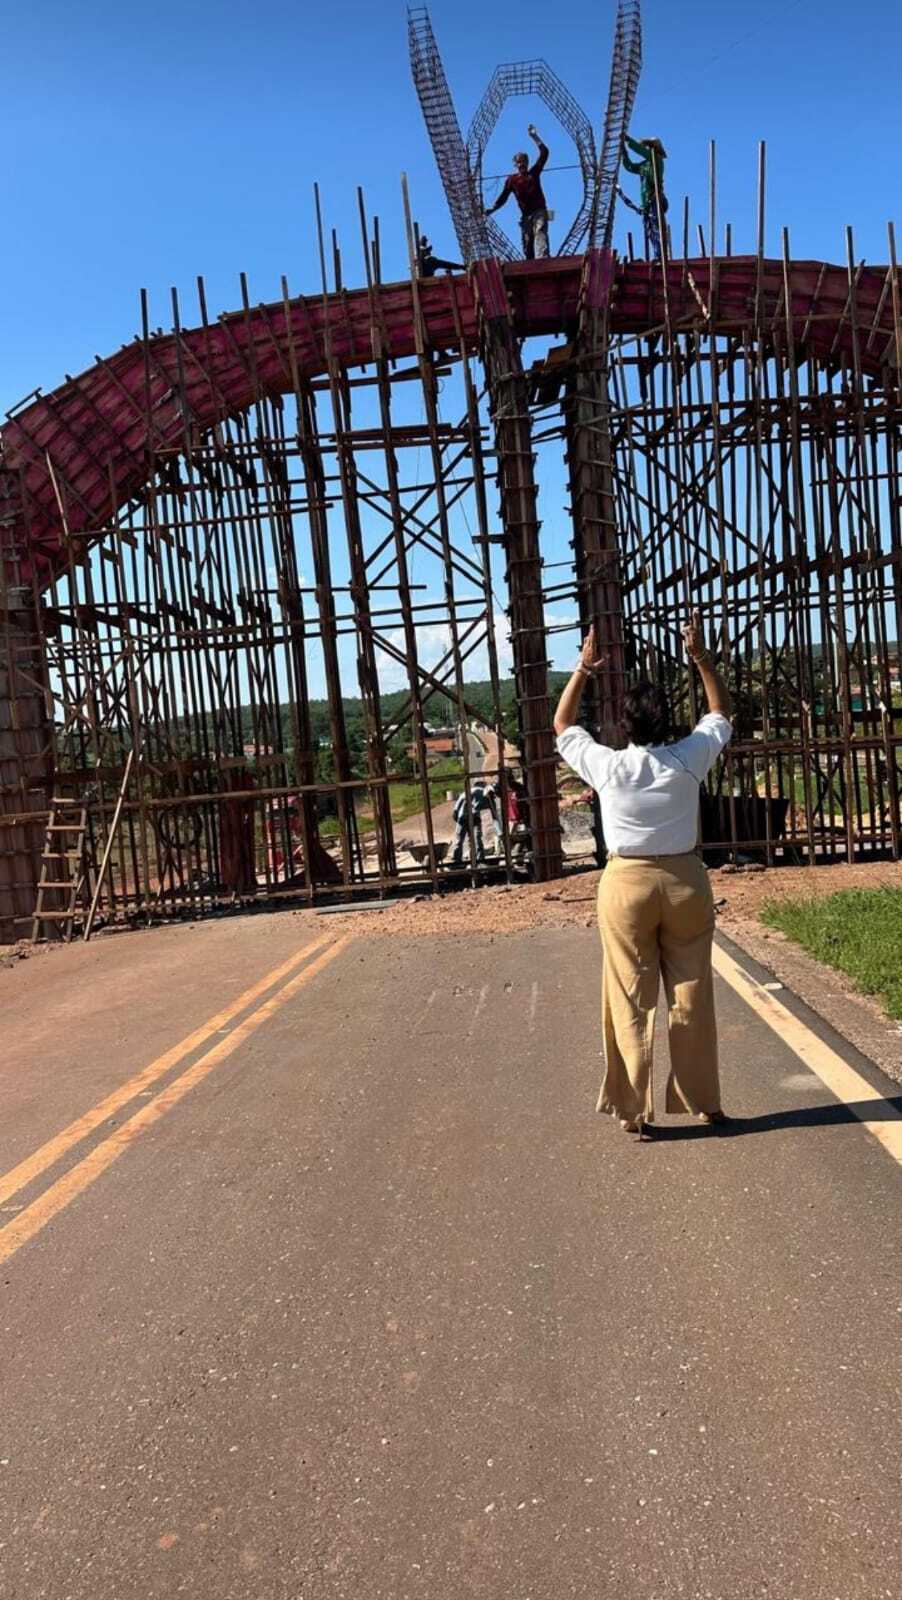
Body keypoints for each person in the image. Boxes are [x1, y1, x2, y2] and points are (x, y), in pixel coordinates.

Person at [553, 612, 733, 1140]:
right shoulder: (689, 757)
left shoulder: (607, 766)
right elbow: (720, 712)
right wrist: (700, 658)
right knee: (692, 990)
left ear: (625, 726)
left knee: (630, 994)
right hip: (684, 881)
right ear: (669, 721)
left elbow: (562, 725)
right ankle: (705, 1101)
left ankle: (633, 1108)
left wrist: (583, 670)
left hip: (626, 883)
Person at [484, 124, 551, 260]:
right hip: (526, 216)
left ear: (527, 162)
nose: (522, 165)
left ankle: (543, 258)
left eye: (524, 162)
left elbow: (545, 153)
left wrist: (534, 137)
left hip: (539, 211)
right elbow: (503, 197)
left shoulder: (534, 173)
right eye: (519, 162)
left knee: (540, 231)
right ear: (515, 164)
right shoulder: (512, 180)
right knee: (527, 244)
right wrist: (493, 209)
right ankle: (531, 263)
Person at [620, 135, 668, 258]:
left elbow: (642, 151)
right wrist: (624, 153)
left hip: (655, 199)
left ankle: (660, 255)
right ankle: (657, 253)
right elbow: (630, 167)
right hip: (646, 202)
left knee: (656, 227)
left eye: (649, 147)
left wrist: (628, 140)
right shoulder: (645, 165)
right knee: (649, 229)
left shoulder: (656, 160)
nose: (647, 149)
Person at [450, 780, 498, 866]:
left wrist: (457, 817)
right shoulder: (482, 792)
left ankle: (457, 861)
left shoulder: (468, 792)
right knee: (477, 840)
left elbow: (456, 809)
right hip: (473, 818)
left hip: (463, 817)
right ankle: (479, 860)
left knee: (459, 840)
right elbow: (489, 809)